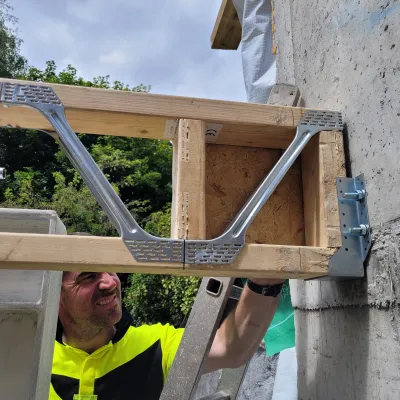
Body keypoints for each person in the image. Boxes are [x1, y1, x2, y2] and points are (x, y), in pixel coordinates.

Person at [50, 271, 284, 400]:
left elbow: (230, 349)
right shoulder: (31, 361)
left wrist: (265, 280)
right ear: (54, 293)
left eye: (110, 269)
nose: (110, 282)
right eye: (89, 277)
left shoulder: (155, 344)